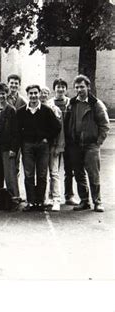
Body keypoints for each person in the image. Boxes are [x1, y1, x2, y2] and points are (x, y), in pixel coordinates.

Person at [64, 75, 110, 212]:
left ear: (88, 87)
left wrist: (98, 142)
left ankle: (97, 201)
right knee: (79, 174)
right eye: (77, 87)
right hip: (75, 145)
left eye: (82, 86)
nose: (79, 89)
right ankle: (84, 201)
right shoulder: (71, 103)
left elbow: (105, 125)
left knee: (93, 174)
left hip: (91, 145)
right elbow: (67, 123)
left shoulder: (96, 104)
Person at [17, 85, 61, 212]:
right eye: (31, 93)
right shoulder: (21, 112)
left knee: (42, 174)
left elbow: (57, 127)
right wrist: (22, 143)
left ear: (39, 94)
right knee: (29, 174)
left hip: (42, 146)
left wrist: (47, 138)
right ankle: (31, 202)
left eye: (36, 93)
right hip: (28, 146)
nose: (33, 96)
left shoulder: (46, 110)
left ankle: (40, 202)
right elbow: (17, 130)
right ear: (27, 95)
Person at [0, 82, 20, 210]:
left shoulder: (11, 110)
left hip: (7, 147)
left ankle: (14, 199)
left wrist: (14, 148)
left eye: (3, 93)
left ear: (7, 94)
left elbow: (15, 132)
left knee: (10, 175)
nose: (0, 95)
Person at [49, 78, 77, 206]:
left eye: (62, 87)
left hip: (69, 140)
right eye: (58, 87)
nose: (60, 89)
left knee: (69, 169)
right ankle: (51, 196)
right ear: (54, 88)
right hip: (55, 141)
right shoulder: (50, 103)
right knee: (53, 169)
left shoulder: (71, 103)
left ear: (66, 89)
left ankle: (69, 195)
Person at [41, 86, 65, 211]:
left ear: (49, 94)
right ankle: (48, 197)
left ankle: (56, 198)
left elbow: (59, 130)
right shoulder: (36, 108)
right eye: (41, 92)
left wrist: (58, 146)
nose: (43, 95)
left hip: (53, 145)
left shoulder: (54, 109)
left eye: (46, 93)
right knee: (43, 173)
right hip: (41, 147)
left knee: (54, 172)